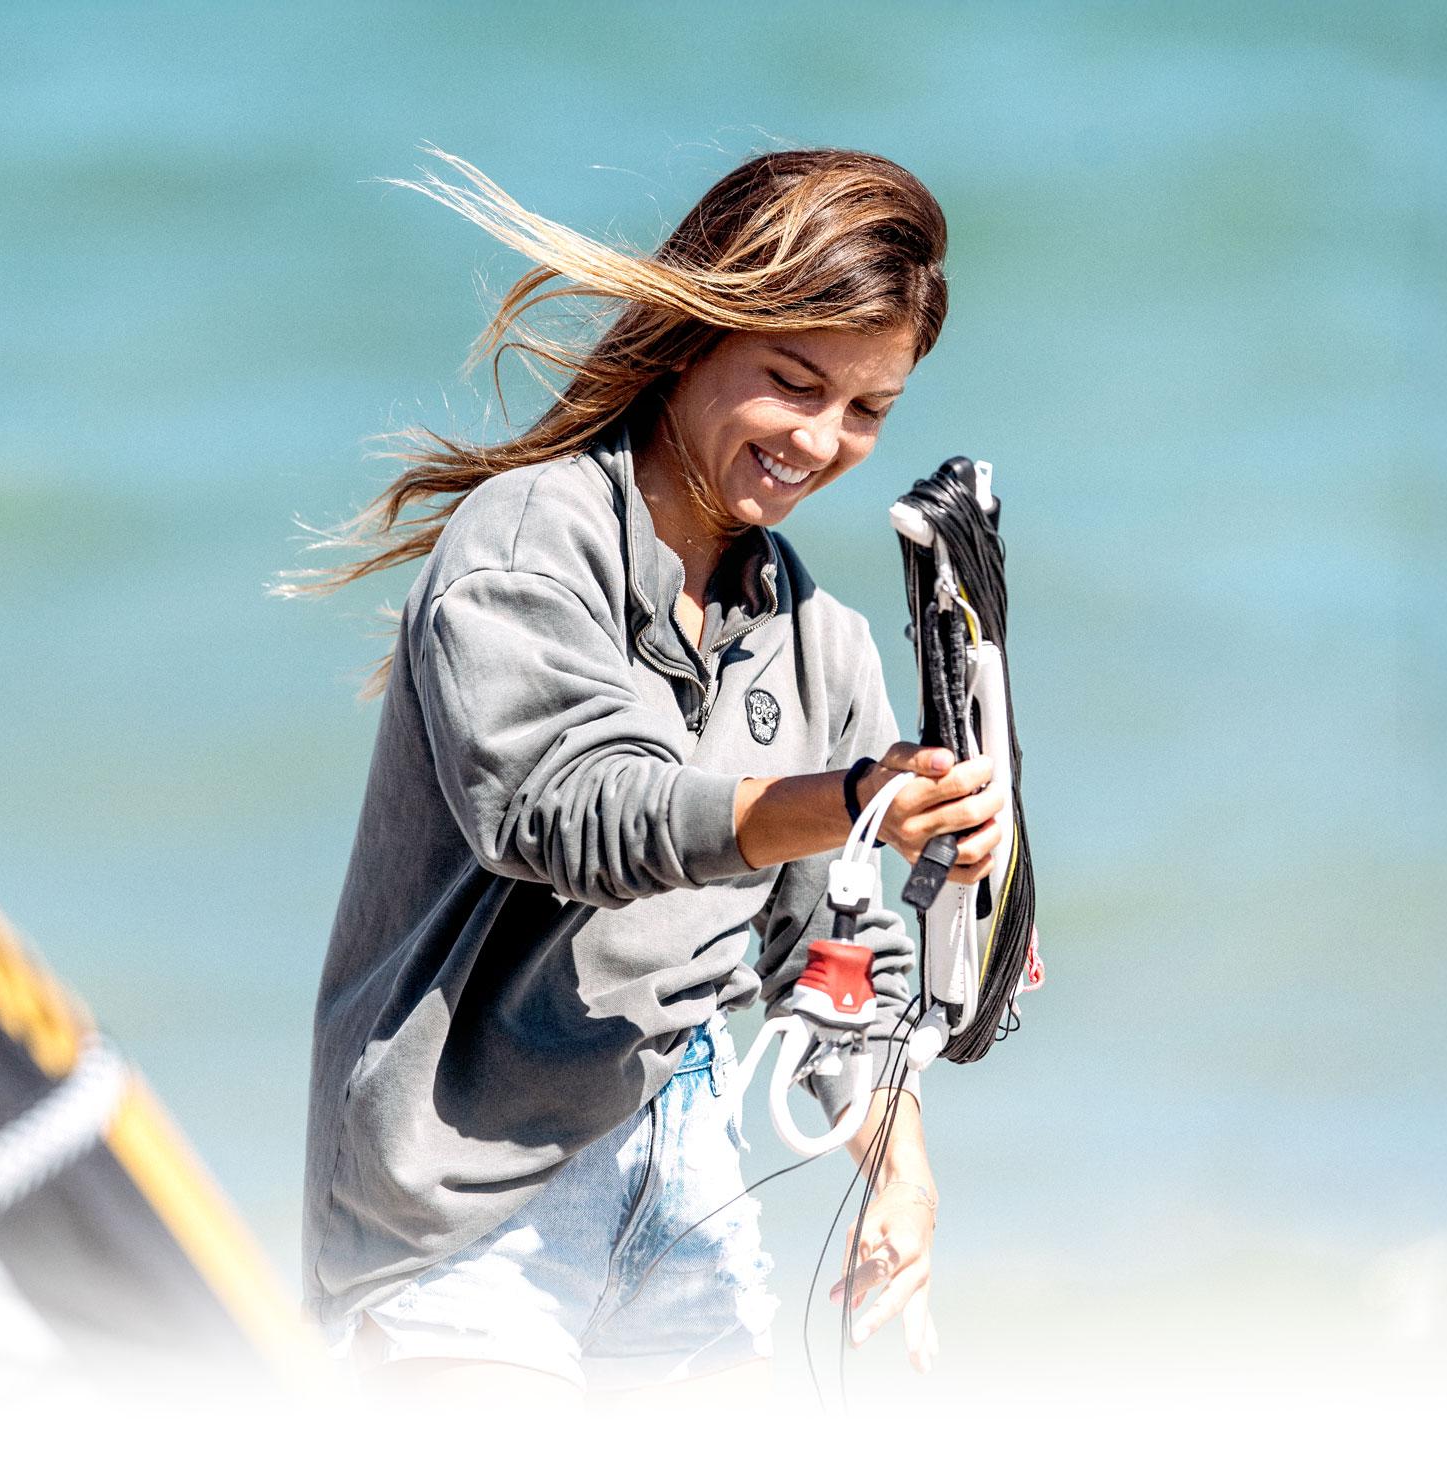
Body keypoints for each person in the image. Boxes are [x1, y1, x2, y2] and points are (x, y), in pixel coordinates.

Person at [291, 148, 1005, 1404]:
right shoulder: (525, 540)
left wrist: (898, 1167)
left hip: (690, 1172)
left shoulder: (823, 644)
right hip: (466, 1199)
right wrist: (851, 798)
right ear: (691, 337)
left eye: (867, 408)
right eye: (793, 381)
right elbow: (577, 813)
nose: (820, 439)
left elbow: (826, 956)